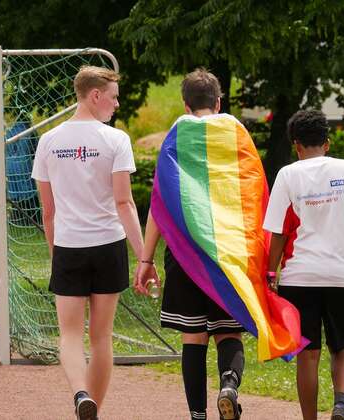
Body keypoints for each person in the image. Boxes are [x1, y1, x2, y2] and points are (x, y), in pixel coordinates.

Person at [31, 65, 145, 420]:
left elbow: (47, 213)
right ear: (95, 95)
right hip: (109, 245)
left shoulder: (48, 140)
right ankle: (94, 405)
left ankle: (81, 395)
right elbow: (124, 203)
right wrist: (144, 257)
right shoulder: (116, 139)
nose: (116, 105)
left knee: (68, 335)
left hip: (68, 246)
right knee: (101, 337)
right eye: (113, 98)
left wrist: (56, 254)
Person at [135, 69, 246, 420]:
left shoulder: (176, 134)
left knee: (193, 337)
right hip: (227, 250)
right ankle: (229, 383)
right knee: (229, 333)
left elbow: (161, 201)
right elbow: (252, 191)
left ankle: (198, 416)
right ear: (218, 101)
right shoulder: (236, 132)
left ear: (185, 104)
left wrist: (145, 258)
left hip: (185, 254)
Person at [263, 110, 344, 420]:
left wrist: (271, 274)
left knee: (308, 355)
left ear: (295, 144)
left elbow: (277, 231)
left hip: (300, 276)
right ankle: (340, 404)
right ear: (327, 143)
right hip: (343, 276)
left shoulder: (288, 175)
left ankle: (310, 418)